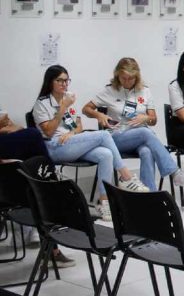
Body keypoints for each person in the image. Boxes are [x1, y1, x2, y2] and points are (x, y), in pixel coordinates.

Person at [33, 65, 148, 223]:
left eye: (66, 81)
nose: (64, 84)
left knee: (105, 154)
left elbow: (78, 125)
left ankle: (104, 202)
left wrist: (72, 132)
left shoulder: (67, 97)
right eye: (59, 80)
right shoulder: (42, 103)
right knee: (103, 134)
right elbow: (48, 131)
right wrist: (63, 108)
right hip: (53, 147)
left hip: (71, 143)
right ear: (50, 82)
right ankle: (126, 177)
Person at [82, 58, 184, 201]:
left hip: (139, 138)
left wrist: (145, 118)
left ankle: (148, 198)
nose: (127, 81)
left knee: (147, 150)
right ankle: (174, 172)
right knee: (145, 132)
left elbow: (153, 120)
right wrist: (98, 114)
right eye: (124, 78)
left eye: (131, 78)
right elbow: (86, 109)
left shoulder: (145, 91)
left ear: (137, 76)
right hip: (117, 137)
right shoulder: (109, 90)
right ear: (117, 75)